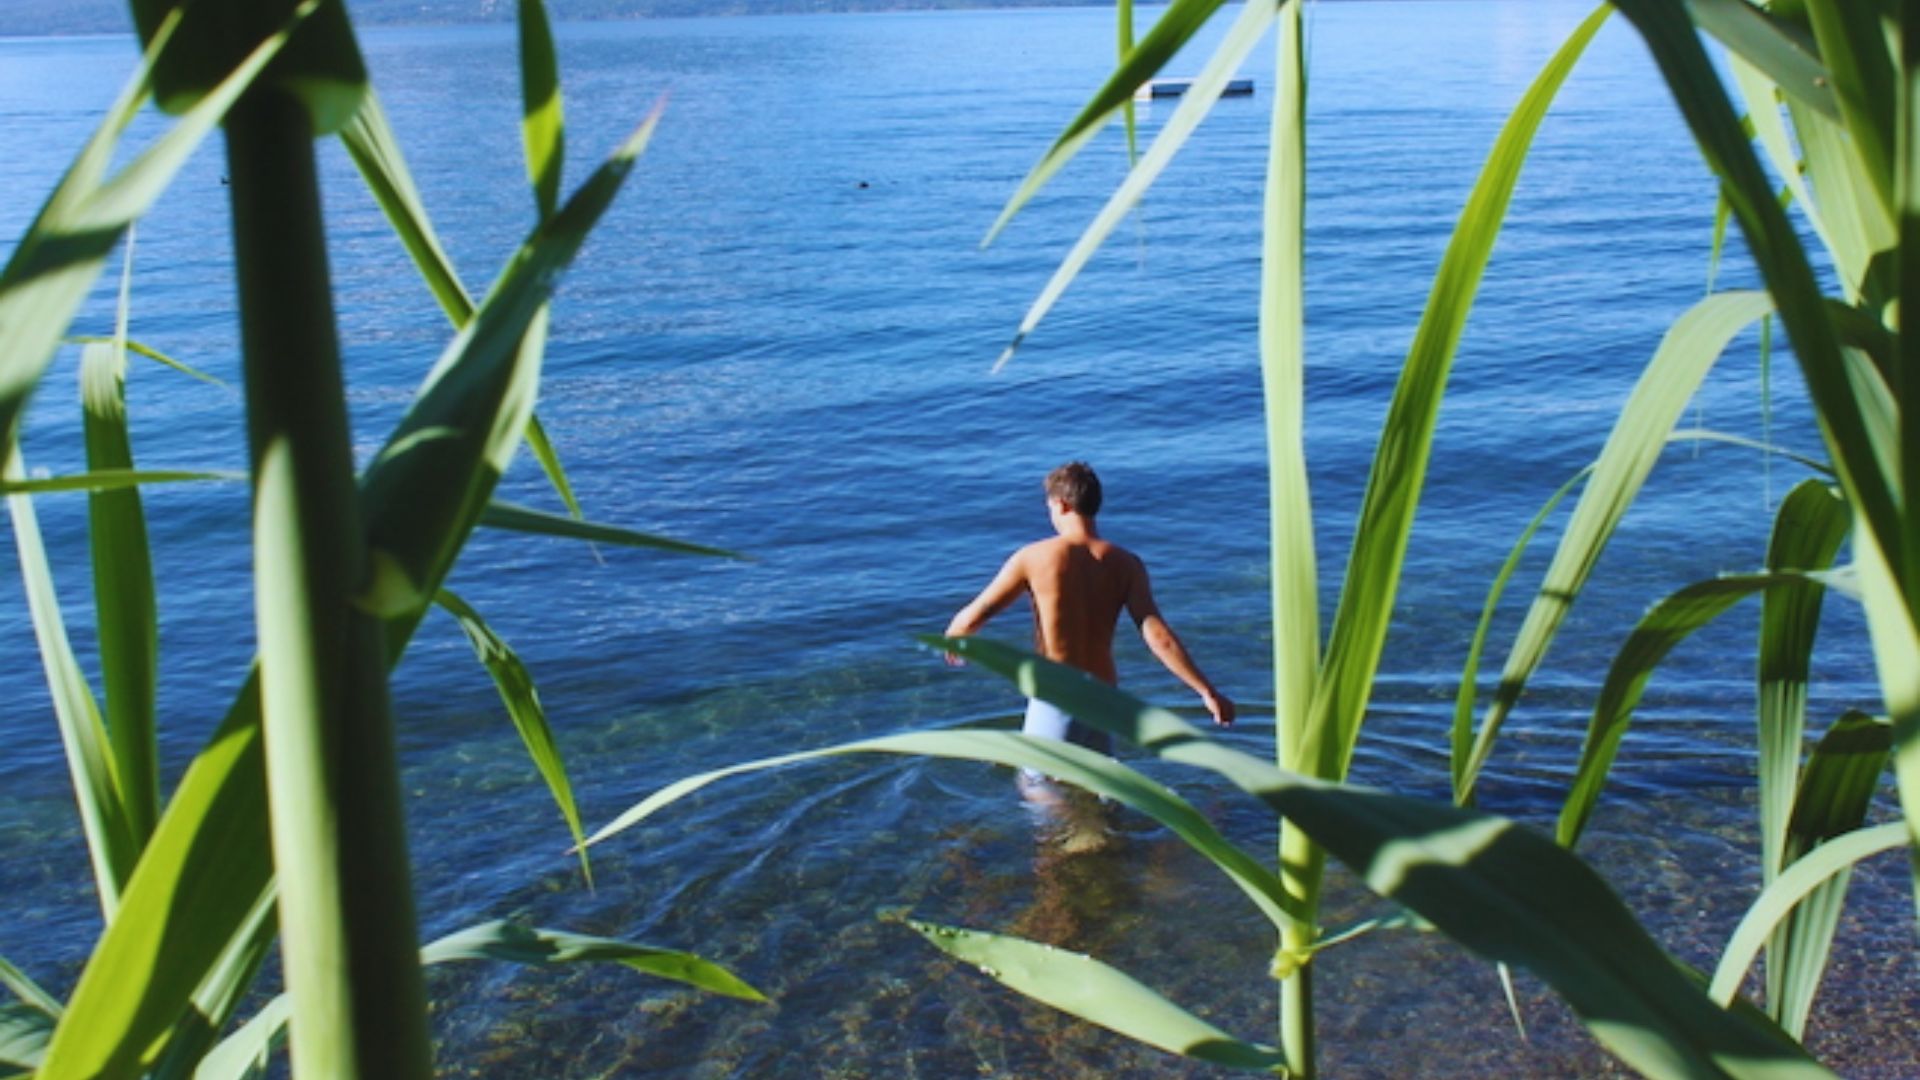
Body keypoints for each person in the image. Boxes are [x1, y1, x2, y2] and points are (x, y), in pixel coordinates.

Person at [944, 461, 1235, 755]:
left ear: (1061, 504)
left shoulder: (1033, 557)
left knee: (1038, 788)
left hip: (1057, 692)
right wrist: (1206, 691)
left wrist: (956, 636)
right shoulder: (1127, 564)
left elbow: (976, 614)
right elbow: (1159, 637)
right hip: (1103, 697)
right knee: (1100, 789)